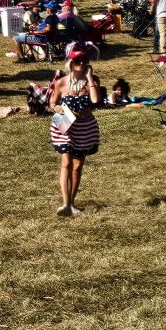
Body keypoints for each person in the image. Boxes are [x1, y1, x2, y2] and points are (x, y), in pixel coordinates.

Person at [48, 43, 102, 216]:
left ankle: (72, 202)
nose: (81, 63)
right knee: (67, 163)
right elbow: (52, 103)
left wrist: (90, 77)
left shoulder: (91, 82)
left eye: (84, 60)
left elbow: (94, 101)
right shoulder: (61, 82)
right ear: (70, 62)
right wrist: (60, 109)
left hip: (84, 128)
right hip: (64, 126)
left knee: (78, 167)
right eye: (77, 60)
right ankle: (65, 203)